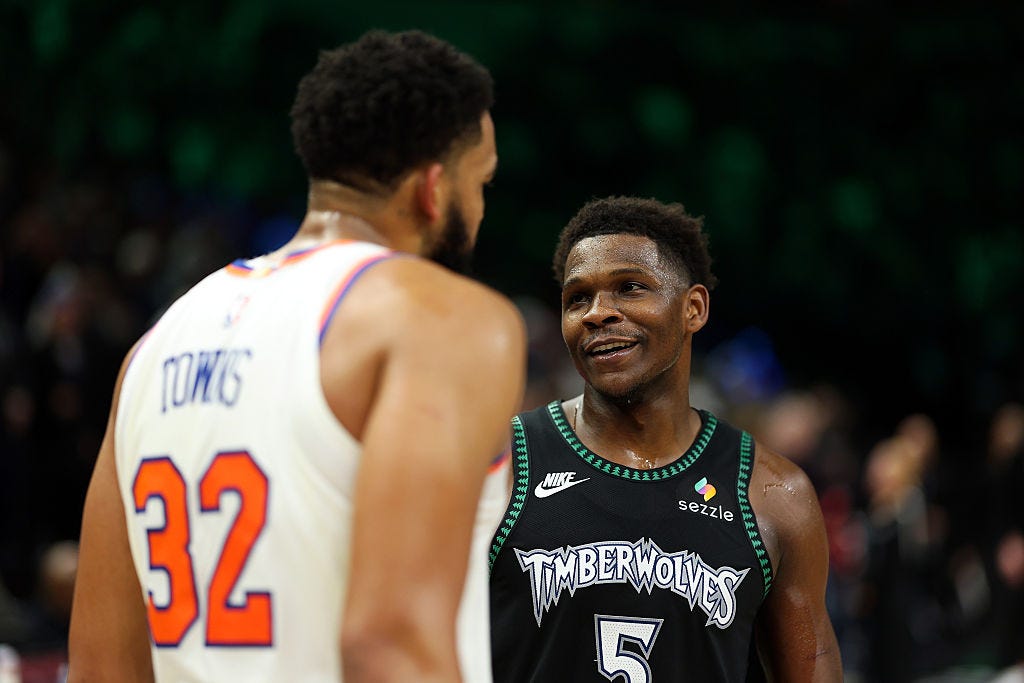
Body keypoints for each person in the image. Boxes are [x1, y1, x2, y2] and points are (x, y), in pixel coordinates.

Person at [67, 29, 525, 683]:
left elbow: (98, 668)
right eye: (480, 184)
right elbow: (390, 642)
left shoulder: (153, 346)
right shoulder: (439, 318)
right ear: (433, 188)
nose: (479, 210)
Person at [489, 196, 842, 681]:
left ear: (693, 308)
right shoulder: (498, 465)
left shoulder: (775, 495)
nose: (598, 313)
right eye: (578, 299)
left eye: (629, 288)